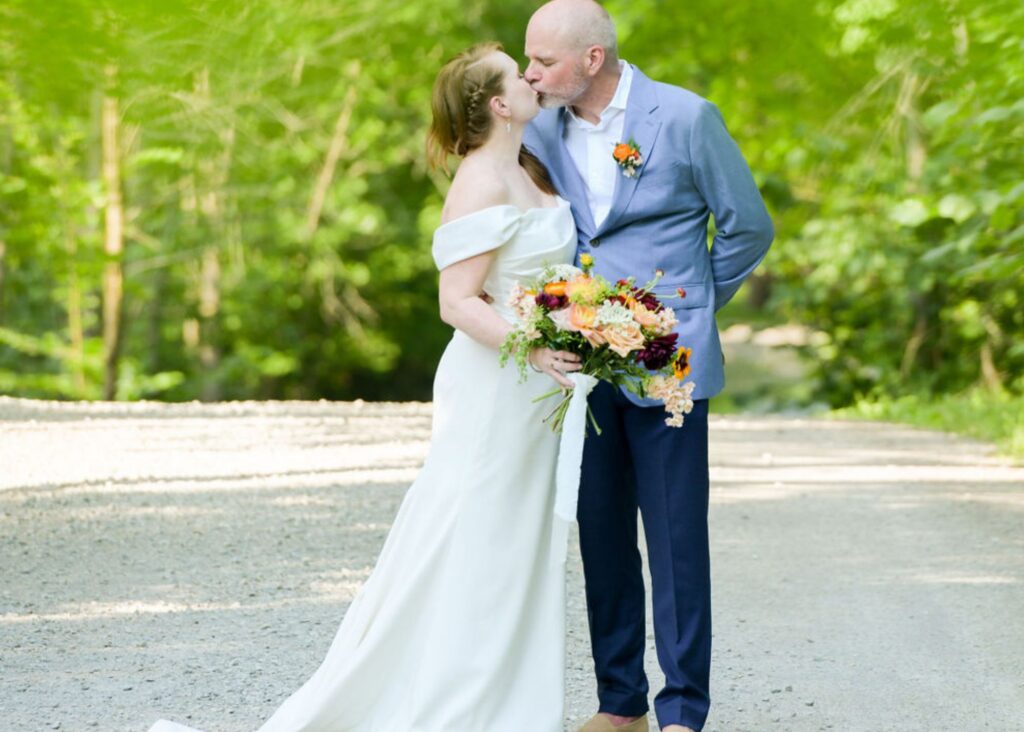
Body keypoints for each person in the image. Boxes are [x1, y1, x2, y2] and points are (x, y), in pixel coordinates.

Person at [147, 42, 582, 732]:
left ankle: (507, 700)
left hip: (537, 388)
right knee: (472, 536)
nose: (533, 79)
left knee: (518, 543)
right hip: (499, 384)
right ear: (499, 105)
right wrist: (538, 351)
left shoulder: (530, 166)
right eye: (517, 75)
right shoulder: (479, 181)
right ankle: (450, 704)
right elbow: (457, 302)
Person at [522, 2, 775, 731]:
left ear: (592, 59)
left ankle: (684, 712)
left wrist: (684, 306)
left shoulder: (687, 118)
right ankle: (620, 703)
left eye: (545, 61)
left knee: (674, 538)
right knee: (600, 535)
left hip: (670, 362)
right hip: (582, 362)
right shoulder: (540, 125)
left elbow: (746, 225)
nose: (532, 73)